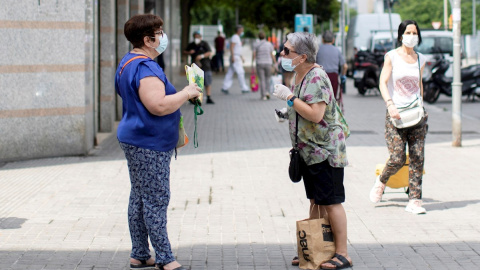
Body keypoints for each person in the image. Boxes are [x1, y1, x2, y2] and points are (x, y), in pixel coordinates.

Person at [115, 14, 201, 270]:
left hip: (135, 137)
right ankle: (164, 258)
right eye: (159, 32)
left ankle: (140, 253)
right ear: (148, 40)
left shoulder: (128, 62)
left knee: (140, 197)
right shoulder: (145, 67)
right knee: (155, 198)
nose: (162, 36)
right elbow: (158, 105)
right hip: (148, 142)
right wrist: (186, 93)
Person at [272, 32, 352, 270]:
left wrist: (289, 99)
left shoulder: (316, 76)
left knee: (332, 202)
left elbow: (316, 114)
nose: (282, 54)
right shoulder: (300, 75)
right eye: (283, 49)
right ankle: (317, 248)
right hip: (309, 151)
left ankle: (343, 253)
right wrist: (288, 113)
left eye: (287, 51)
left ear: (302, 56)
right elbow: (304, 107)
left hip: (325, 152)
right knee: (316, 200)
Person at [369, 20, 428, 215]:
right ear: (401, 35)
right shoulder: (391, 57)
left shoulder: (421, 59)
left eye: (415, 32)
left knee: (418, 157)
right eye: (408, 32)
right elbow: (383, 83)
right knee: (397, 157)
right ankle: (382, 181)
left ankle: (414, 200)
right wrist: (390, 104)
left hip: (416, 115)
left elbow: (419, 83)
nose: (412, 36)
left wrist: (422, 103)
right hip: (396, 115)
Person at [316, 30, 348, 110]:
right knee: (332, 98)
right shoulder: (337, 50)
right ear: (333, 40)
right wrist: (343, 75)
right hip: (333, 77)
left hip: (320, 76)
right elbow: (345, 66)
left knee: (320, 99)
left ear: (322, 39)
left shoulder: (317, 49)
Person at [184, 31, 215, 104]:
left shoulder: (204, 44)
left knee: (207, 82)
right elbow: (184, 51)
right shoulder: (191, 45)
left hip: (205, 65)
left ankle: (208, 97)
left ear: (200, 37)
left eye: (198, 37)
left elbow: (209, 52)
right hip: (195, 67)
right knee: (195, 83)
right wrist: (189, 52)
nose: (196, 38)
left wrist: (201, 56)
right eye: (195, 37)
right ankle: (195, 98)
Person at [221, 25, 250, 94]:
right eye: (242, 30)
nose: (242, 31)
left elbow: (237, 49)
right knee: (241, 72)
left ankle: (225, 87)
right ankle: (244, 88)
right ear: (239, 30)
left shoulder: (237, 38)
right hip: (235, 57)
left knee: (230, 72)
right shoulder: (235, 37)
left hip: (236, 56)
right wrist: (233, 56)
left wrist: (241, 57)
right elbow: (232, 47)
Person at [252, 31, 277, 100]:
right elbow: (272, 54)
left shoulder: (256, 44)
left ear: (258, 37)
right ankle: (267, 92)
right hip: (268, 63)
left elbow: (254, 54)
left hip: (260, 63)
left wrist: (252, 63)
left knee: (262, 79)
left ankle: (263, 95)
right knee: (267, 78)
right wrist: (275, 63)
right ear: (265, 36)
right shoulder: (269, 44)